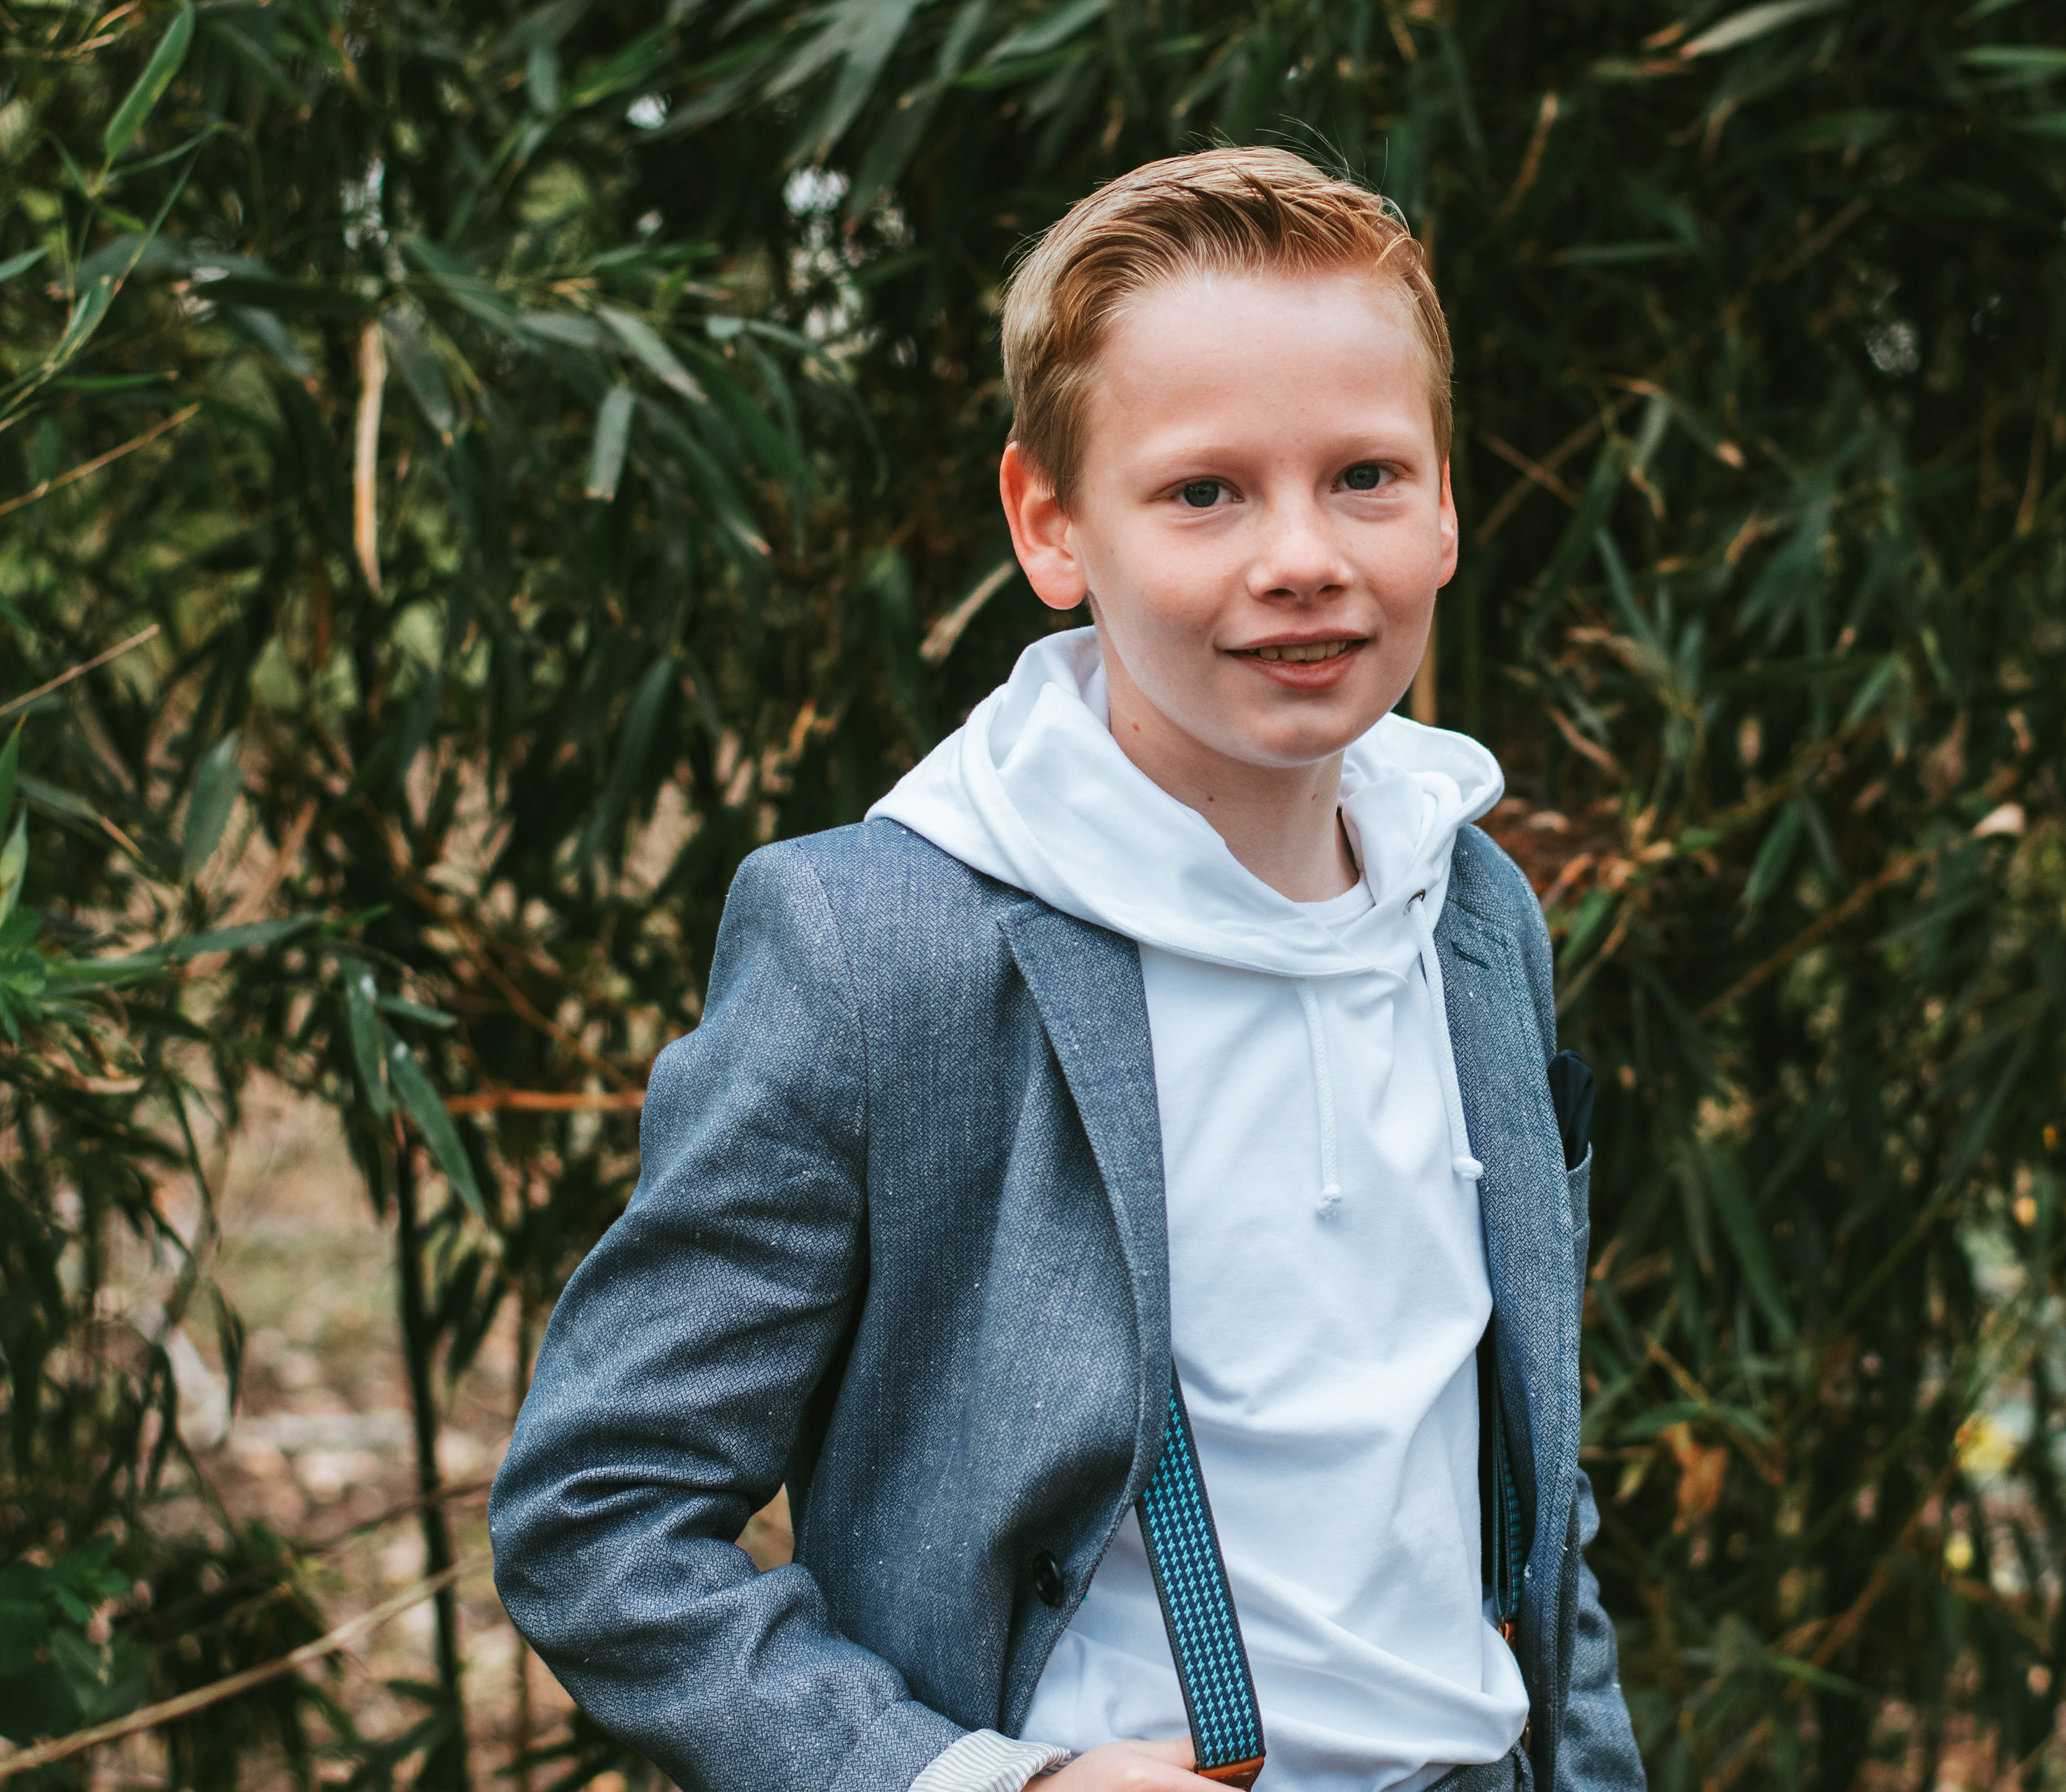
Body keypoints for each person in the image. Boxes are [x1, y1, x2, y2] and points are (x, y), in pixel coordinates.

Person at [490, 146, 1641, 1792]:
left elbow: (1529, 1486)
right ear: (1049, 522)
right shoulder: (882, 948)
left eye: (1367, 476)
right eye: (1205, 492)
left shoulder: (1471, 913)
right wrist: (972, 1780)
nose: (1303, 554)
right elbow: (599, 1511)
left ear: (1447, 502)